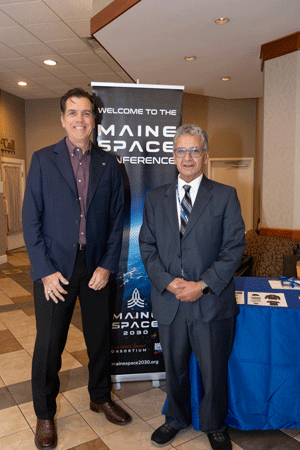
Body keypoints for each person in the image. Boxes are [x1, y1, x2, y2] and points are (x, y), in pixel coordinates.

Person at [22, 88, 132, 450]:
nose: (80, 119)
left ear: (94, 119)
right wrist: (45, 271)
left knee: (99, 339)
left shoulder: (110, 164)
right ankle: (44, 413)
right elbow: (30, 221)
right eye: (73, 113)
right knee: (50, 345)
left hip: (96, 267)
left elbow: (118, 220)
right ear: (62, 118)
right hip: (55, 269)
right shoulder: (42, 159)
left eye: (86, 113)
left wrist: (107, 265)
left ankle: (100, 397)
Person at [139, 124, 245, 450]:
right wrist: (169, 283)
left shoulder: (225, 196)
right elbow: (147, 246)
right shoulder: (156, 198)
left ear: (205, 155)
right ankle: (176, 418)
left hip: (210, 302)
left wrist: (202, 285)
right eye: (181, 151)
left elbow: (233, 248)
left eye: (194, 150)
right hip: (170, 302)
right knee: (175, 368)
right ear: (173, 156)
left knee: (213, 369)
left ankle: (214, 424)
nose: (187, 157)